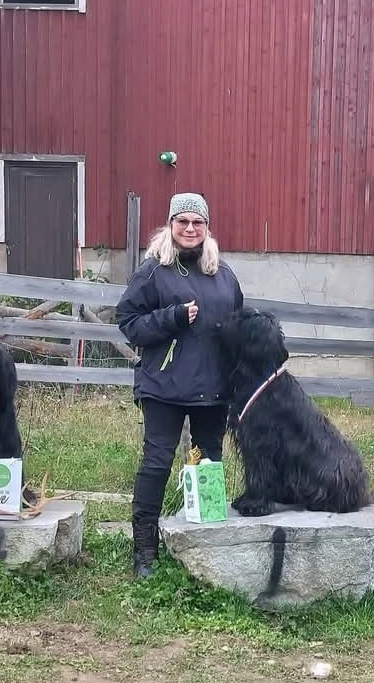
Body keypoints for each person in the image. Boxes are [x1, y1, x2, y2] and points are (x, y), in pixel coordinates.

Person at [115, 192, 244, 578]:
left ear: (207, 227)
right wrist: (170, 318)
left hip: (213, 388)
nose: (190, 229)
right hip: (164, 386)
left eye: (197, 222)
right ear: (171, 225)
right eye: (183, 221)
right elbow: (128, 320)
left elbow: (239, 323)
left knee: (207, 464)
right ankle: (144, 550)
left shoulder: (222, 273)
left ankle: (205, 546)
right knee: (156, 464)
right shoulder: (154, 270)